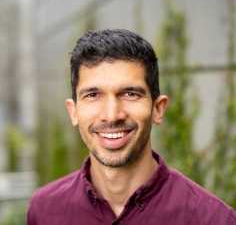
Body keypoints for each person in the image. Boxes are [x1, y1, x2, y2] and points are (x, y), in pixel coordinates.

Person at [27, 29, 236, 225]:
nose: (111, 115)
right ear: (73, 112)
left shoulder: (214, 219)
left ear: (158, 109)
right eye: (93, 95)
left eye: (130, 94)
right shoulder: (44, 210)